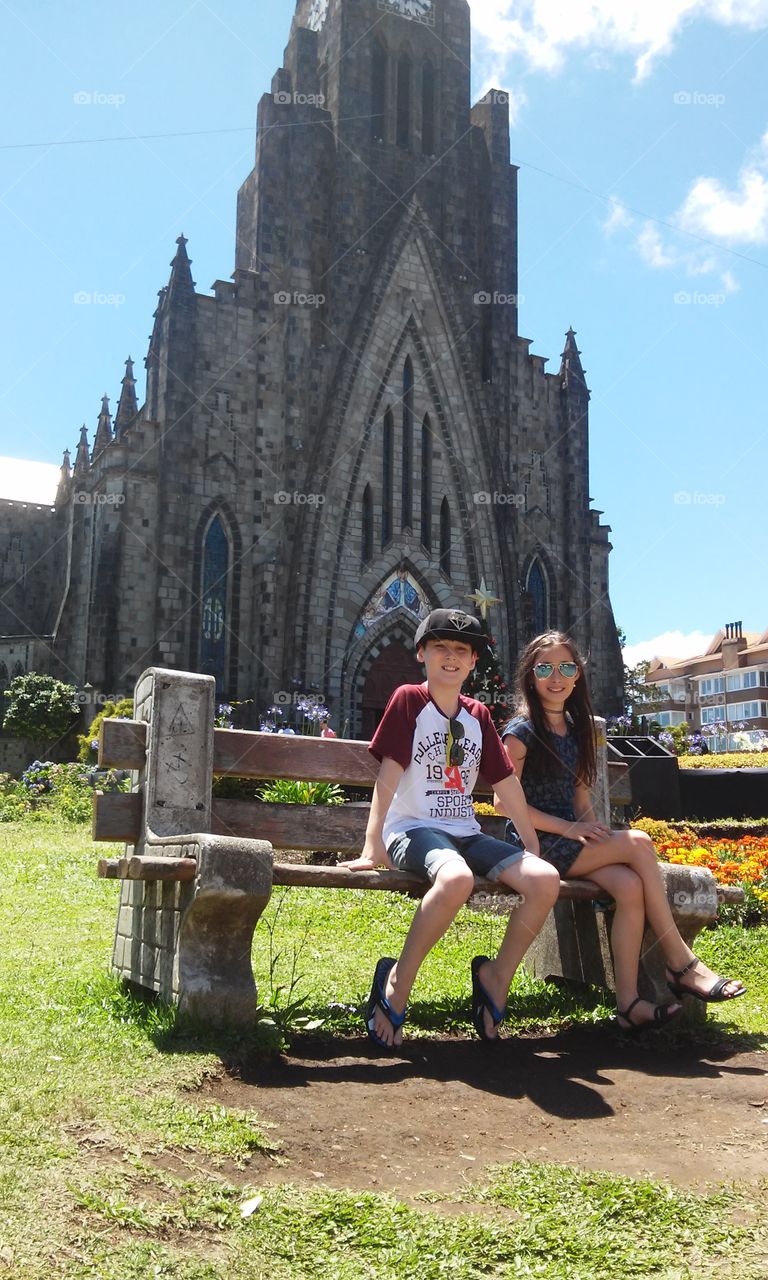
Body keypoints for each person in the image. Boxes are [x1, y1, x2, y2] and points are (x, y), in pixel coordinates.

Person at [495, 631, 746, 1031]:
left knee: (629, 886)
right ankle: (680, 962)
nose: (555, 677)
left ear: (577, 676)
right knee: (641, 843)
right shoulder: (521, 731)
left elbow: (581, 800)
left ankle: (627, 1004)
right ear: (530, 676)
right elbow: (503, 804)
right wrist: (572, 828)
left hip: (571, 840)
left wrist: (591, 828)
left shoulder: (576, 731)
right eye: (544, 668)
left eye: (566, 667)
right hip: (534, 844)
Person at [342, 609, 561, 1047]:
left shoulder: (477, 715)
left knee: (544, 880)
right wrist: (372, 844)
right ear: (421, 652)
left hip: (464, 831)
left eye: (462, 650)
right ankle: (397, 984)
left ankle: (496, 976)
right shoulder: (408, 699)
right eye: (440, 646)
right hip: (412, 829)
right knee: (457, 877)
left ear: (473, 661)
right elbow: (388, 776)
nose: (451, 656)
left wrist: (532, 844)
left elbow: (505, 783)